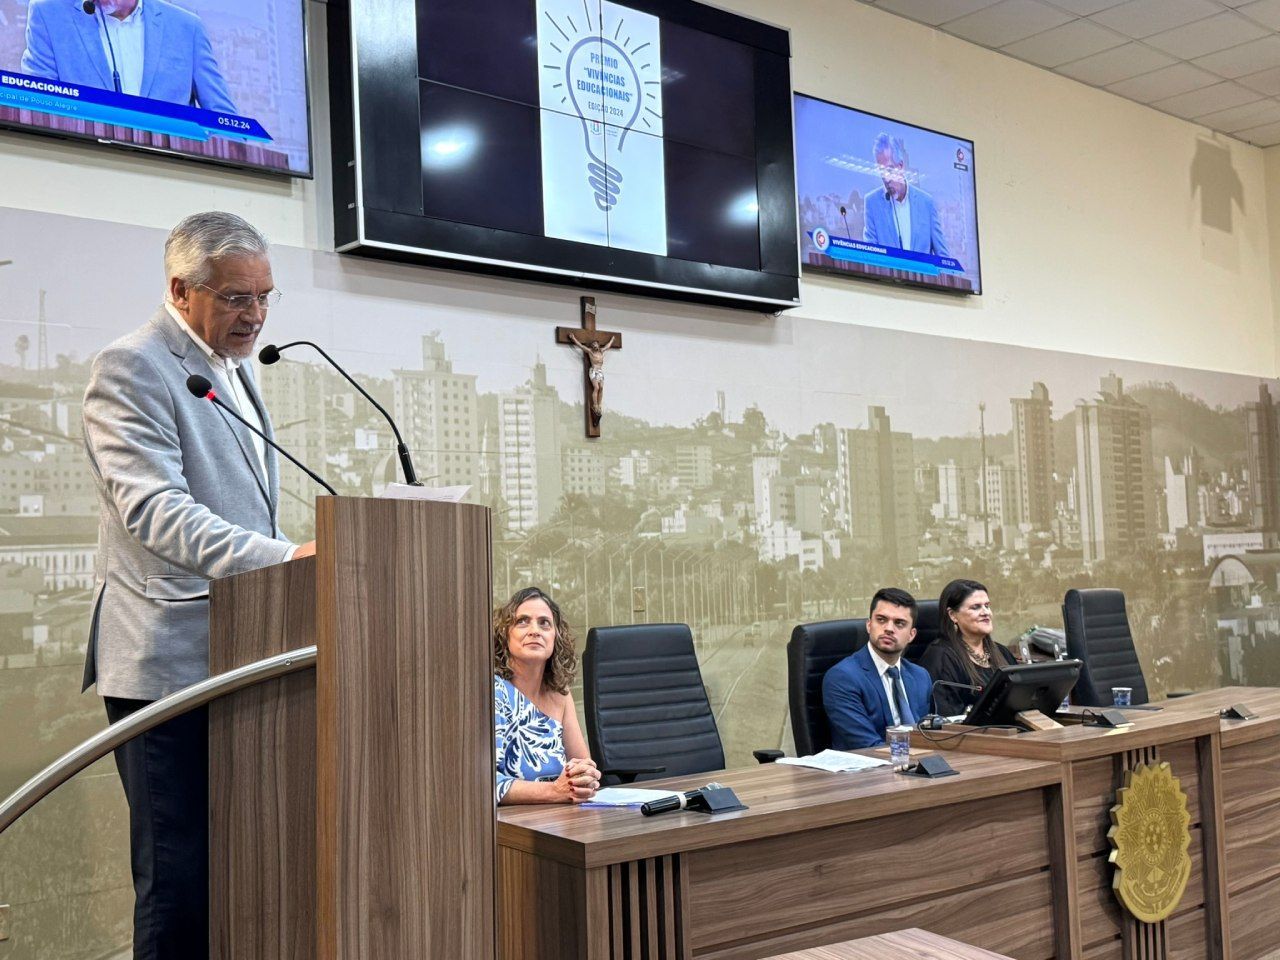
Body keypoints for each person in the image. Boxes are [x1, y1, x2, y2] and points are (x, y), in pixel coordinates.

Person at [82, 210, 314, 959]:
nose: (255, 315)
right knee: (179, 882)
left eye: (265, 296)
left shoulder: (236, 368)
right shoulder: (134, 364)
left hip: (242, 650)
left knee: (241, 874)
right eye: (236, 298)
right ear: (181, 289)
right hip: (168, 664)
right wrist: (282, 559)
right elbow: (155, 510)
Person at [21, 0, 238, 114]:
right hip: (80, 176)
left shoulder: (187, 28)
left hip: (171, 179)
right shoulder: (48, 14)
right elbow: (39, 107)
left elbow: (225, 121)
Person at [493, 586, 600, 804]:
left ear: (555, 637)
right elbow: (484, 783)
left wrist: (586, 777)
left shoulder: (560, 692)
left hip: (562, 816)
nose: (535, 630)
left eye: (544, 623)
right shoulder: (493, 691)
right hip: (512, 826)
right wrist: (555, 791)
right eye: (522, 621)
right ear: (505, 635)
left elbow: (582, 764)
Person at [822, 587, 933, 750]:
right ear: (869, 625)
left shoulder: (920, 676)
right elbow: (867, 745)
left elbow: (930, 735)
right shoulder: (842, 677)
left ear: (911, 635)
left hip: (916, 766)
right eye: (881, 620)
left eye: (899, 623)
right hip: (867, 770)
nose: (889, 628)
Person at [920, 579, 1018, 717]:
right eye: (976, 607)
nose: (986, 612)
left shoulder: (1002, 652)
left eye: (987, 606)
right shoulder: (940, 657)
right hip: (970, 735)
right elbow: (947, 716)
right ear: (953, 615)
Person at [862, 133, 950, 257]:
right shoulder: (872, 202)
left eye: (889, 169)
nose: (886, 179)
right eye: (881, 171)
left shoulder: (926, 203)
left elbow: (943, 257)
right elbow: (869, 256)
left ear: (901, 166)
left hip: (924, 276)